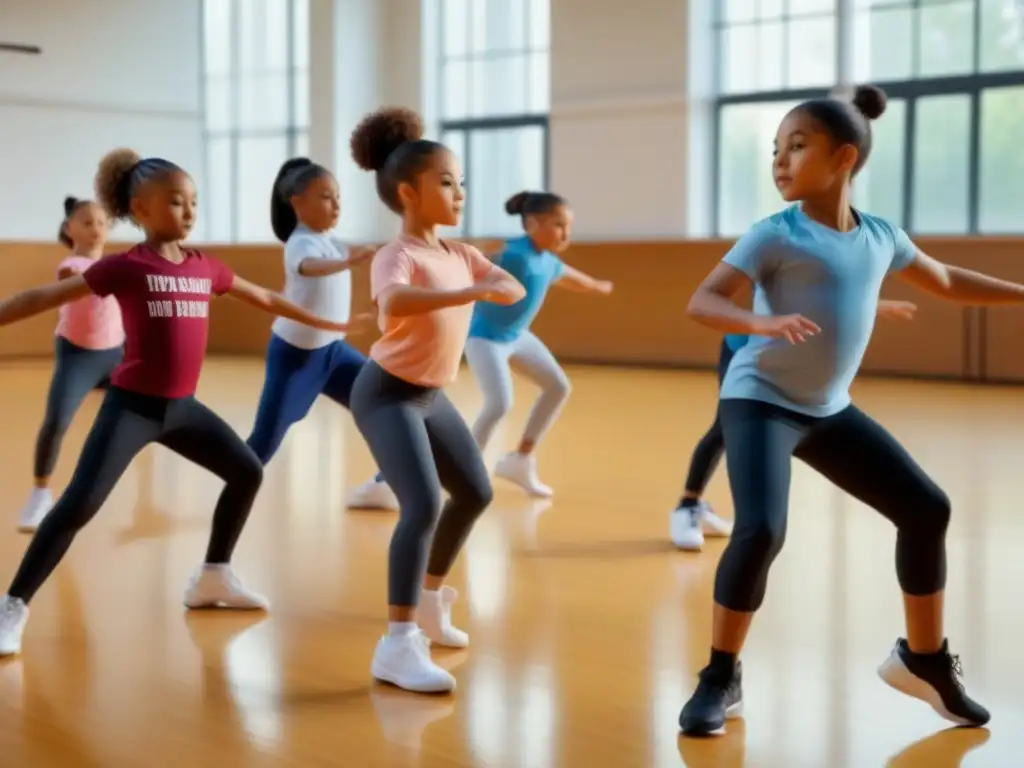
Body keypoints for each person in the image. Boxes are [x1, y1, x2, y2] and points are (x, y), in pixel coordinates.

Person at [678, 84, 1019, 736]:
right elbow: (703, 301)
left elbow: (947, 282)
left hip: (828, 409)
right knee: (760, 531)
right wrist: (762, 321)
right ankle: (721, 675)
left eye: (796, 146)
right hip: (759, 401)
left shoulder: (883, 237)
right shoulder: (773, 234)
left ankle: (923, 661)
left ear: (845, 159)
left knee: (926, 508)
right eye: (774, 150)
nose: (779, 161)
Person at [0, 148, 356, 658]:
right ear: (140, 210)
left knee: (247, 471)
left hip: (182, 409)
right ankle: (12, 605)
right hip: (131, 408)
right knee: (79, 503)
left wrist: (334, 327)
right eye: (175, 201)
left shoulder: (205, 268)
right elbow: (40, 299)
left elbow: (268, 299)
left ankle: (213, 576)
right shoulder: (126, 267)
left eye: (193, 202)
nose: (188, 211)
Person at [348, 106, 525, 694]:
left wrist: (493, 281)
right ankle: (395, 645)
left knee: (474, 491)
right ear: (408, 193)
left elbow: (512, 285)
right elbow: (392, 303)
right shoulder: (396, 254)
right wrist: (477, 289)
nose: (459, 192)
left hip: (431, 396)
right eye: (446, 182)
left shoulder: (459, 253)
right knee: (421, 504)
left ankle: (427, 601)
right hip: (386, 394)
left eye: (461, 181)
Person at [347, 189, 611, 507]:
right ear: (531, 224)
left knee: (557, 386)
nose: (565, 233)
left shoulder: (549, 262)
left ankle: (520, 459)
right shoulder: (513, 251)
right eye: (558, 225)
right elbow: (475, 252)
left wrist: (598, 286)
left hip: (517, 337)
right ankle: (461, 470)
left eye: (568, 226)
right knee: (499, 403)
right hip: (485, 339)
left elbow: (571, 278)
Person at [671, 297, 918, 550]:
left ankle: (715, 513)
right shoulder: (777, 263)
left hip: (786, 351)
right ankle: (688, 506)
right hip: (745, 346)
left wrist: (870, 305)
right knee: (726, 425)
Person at [245, 157, 374, 465]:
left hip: (335, 353)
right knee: (262, 445)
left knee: (382, 402)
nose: (336, 205)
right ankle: (232, 486)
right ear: (298, 204)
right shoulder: (299, 243)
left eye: (338, 197)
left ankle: (387, 482)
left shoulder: (330, 240)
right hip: (296, 357)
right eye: (326, 197)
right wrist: (348, 262)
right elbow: (310, 267)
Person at [17, 196, 125, 532]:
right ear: (70, 228)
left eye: (103, 223)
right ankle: (39, 493)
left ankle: (98, 490)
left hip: (115, 354)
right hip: (78, 355)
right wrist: (74, 283)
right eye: (88, 222)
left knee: (148, 411)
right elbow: (68, 279)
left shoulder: (116, 264)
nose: (97, 229)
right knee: (57, 421)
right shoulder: (74, 266)